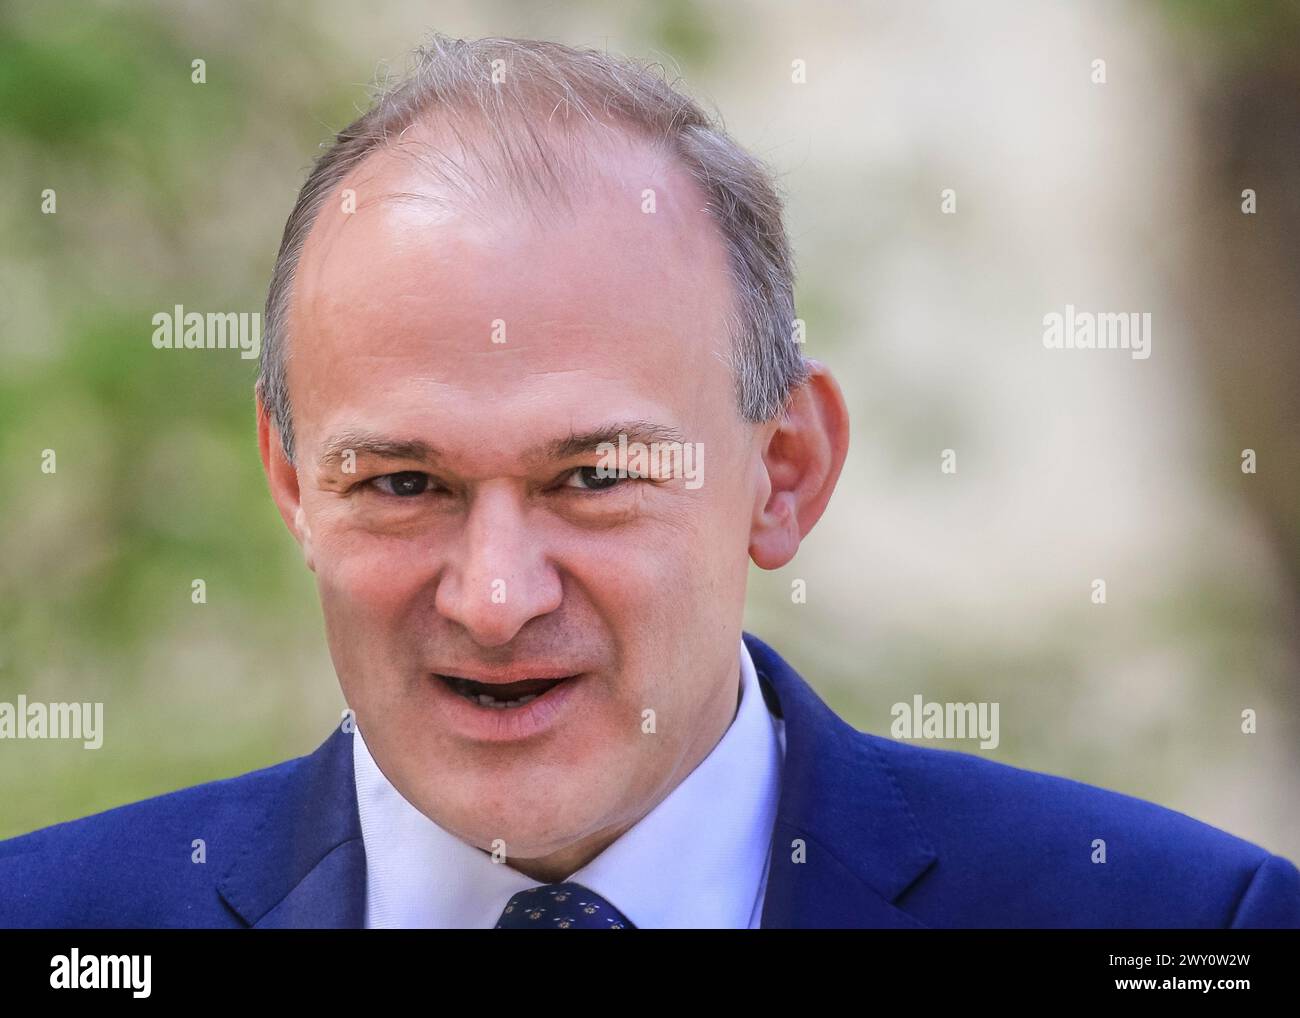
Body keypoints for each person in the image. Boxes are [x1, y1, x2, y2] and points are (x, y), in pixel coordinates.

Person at [2, 33, 1296, 929]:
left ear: (783, 473)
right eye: (405, 483)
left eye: (593, 476)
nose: (496, 597)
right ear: (291, 482)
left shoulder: (1168, 921)